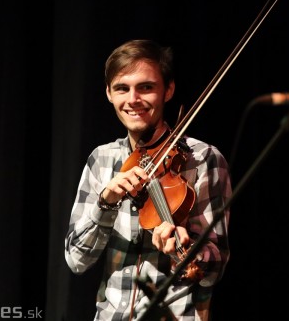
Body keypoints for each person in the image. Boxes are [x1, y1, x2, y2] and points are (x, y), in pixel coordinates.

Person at [65, 39, 232, 321]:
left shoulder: (203, 159)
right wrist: (105, 204)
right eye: (122, 88)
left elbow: (215, 267)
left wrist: (189, 251)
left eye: (146, 87)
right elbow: (76, 260)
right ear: (108, 94)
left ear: (168, 90)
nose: (133, 99)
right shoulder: (101, 159)